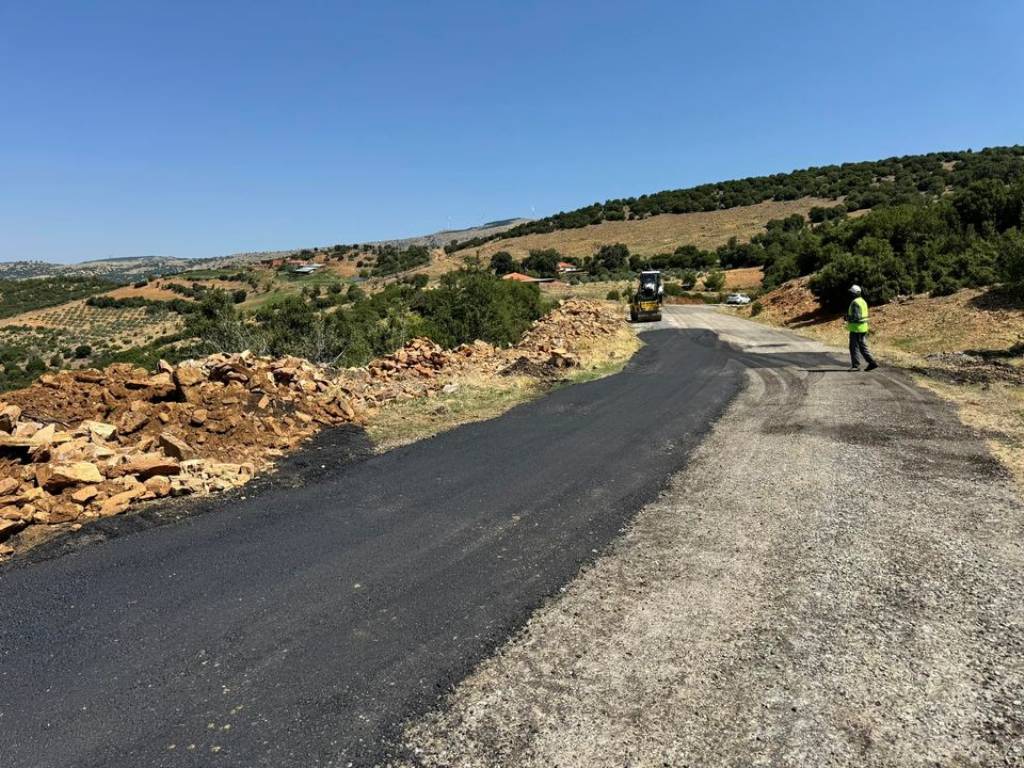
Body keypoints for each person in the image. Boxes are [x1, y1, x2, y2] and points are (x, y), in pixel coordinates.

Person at [846, 284, 878, 371]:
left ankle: (856, 366)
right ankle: (872, 363)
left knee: (854, 347)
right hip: (863, 327)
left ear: (855, 293)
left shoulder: (855, 302)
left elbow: (856, 317)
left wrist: (847, 318)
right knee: (862, 346)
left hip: (856, 328)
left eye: (851, 292)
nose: (850, 294)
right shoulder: (863, 301)